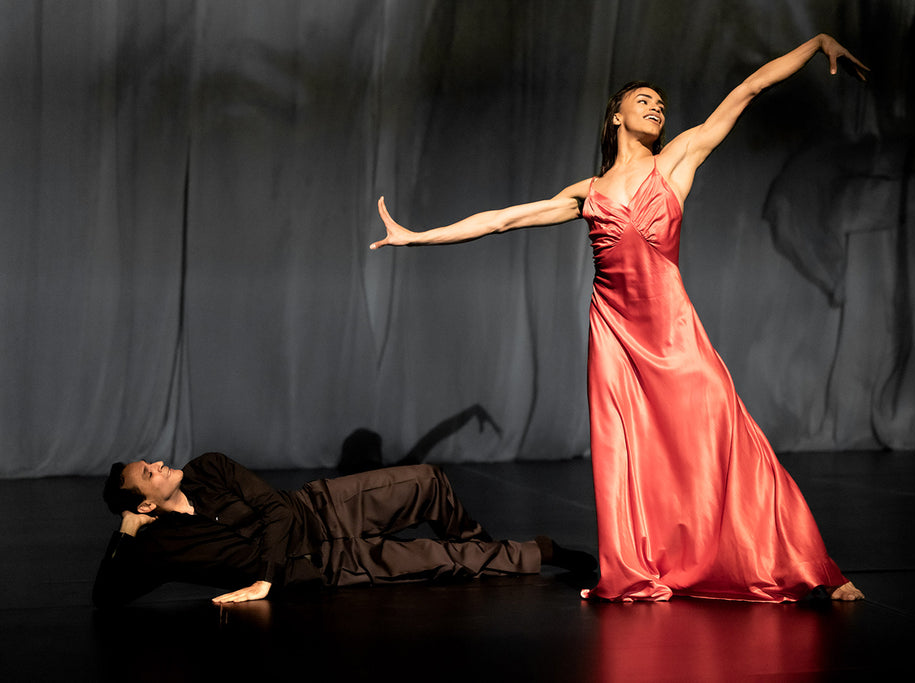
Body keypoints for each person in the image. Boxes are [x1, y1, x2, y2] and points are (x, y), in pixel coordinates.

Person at [370, 34, 868, 603]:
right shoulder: (588, 192)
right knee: (630, 453)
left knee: (727, 436)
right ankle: (639, 567)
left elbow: (749, 89)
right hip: (614, 334)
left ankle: (806, 564)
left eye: (661, 103)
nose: (656, 108)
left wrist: (816, 45)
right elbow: (502, 220)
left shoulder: (678, 159)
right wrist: (417, 236)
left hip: (674, 333)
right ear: (616, 115)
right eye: (644, 100)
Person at [94, 452, 595, 607]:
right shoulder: (163, 547)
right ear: (145, 501)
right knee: (442, 561)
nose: (157, 463)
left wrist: (264, 578)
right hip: (328, 566)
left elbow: (277, 511)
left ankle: (480, 542)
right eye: (148, 473)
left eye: (150, 461)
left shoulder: (208, 467)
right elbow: (106, 597)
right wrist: (126, 531)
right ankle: (540, 552)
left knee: (427, 480)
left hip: (323, 509)